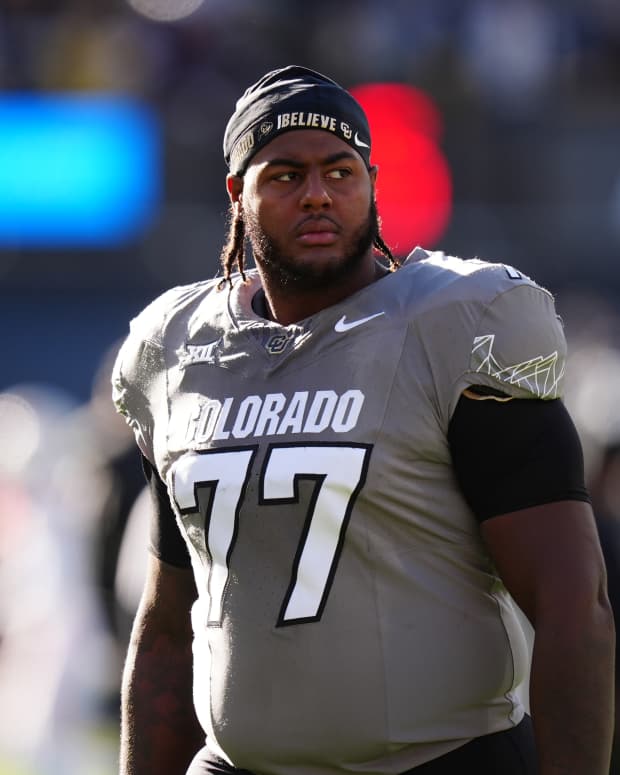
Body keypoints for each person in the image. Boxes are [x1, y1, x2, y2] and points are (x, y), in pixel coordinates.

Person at [111, 65, 615, 775]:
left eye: (339, 171)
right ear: (238, 194)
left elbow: (572, 603)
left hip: (435, 761)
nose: (317, 194)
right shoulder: (179, 348)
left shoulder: (454, 323)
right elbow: (166, 628)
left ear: (372, 182)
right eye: (285, 175)